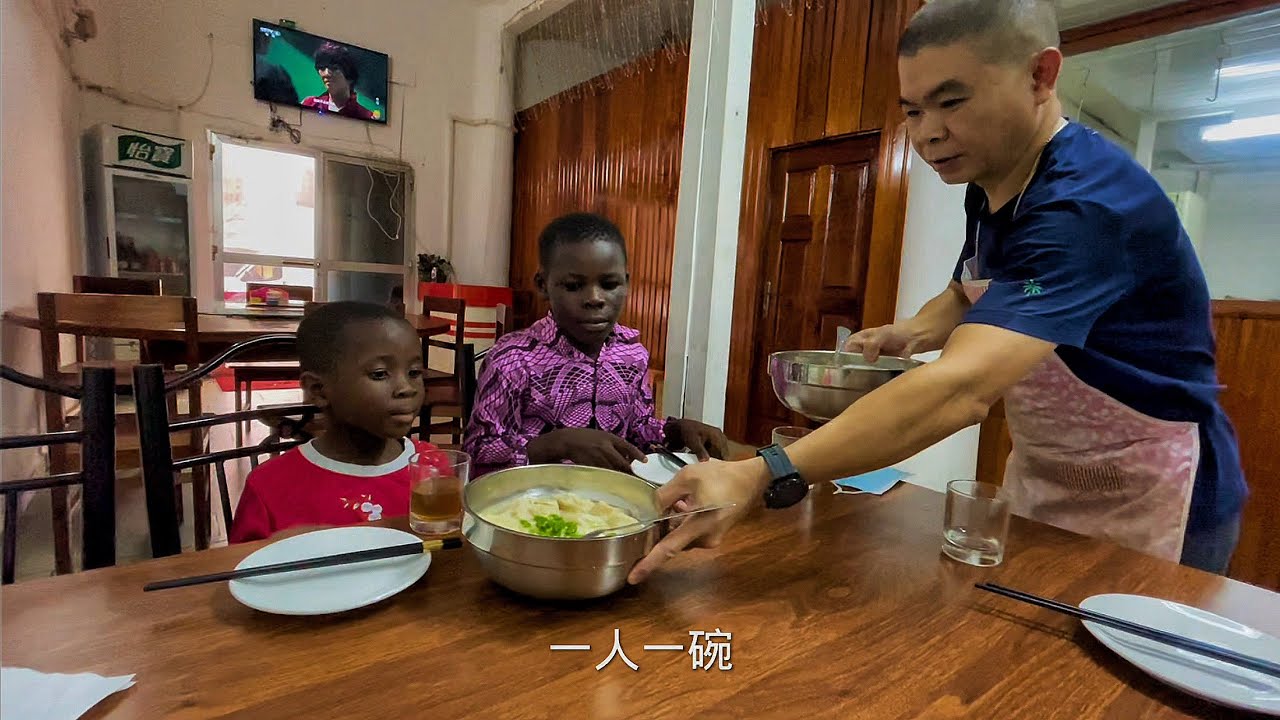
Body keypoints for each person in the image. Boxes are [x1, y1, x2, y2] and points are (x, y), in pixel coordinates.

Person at [628, 0, 1247, 584]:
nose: (927, 134)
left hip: (1152, 487)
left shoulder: (1087, 207)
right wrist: (914, 332)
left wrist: (763, 472)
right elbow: (966, 289)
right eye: (913, 109)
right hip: (1045, 470)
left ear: (1040, 74)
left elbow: (961, 389)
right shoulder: (993, 182)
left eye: (951, 102)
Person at [463, 213, 729, 478]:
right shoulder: (513, 360)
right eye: (574, 286)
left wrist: (674, 431)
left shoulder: (631, 354)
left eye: (610, 284)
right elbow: (477, 457)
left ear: (626, 281)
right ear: (543, 285)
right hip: (529, 506)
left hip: (613, 505)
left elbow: (638, 430)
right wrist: (558, 444)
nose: (594, 299)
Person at [228, 302, 451, 543]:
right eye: (379, 374)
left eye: (414, 372)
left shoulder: (431, 466)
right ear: (319, 390)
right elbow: (242, 570)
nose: (406, 388)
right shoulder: (269, 488)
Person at [300, 42, 376, 120]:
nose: (326, 74)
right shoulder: (309, 104)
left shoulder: (367, 117)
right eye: (322, 68)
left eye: (334, 68)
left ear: (350, 76)